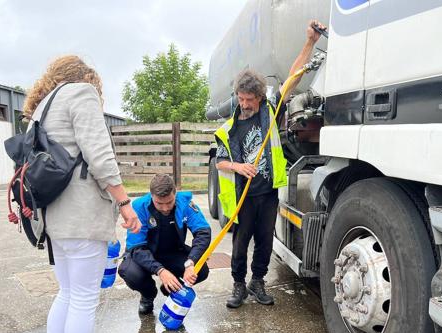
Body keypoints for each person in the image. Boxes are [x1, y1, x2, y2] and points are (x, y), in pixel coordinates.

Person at [24, 55, 140, 333]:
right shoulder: (81, 93)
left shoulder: (42, 107)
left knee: (68, 293)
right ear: (86, 76)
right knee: (84, 298)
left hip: (55, 217)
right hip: (82, 216)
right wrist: (123, 202)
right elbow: (99, 154)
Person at [215, 20, 326, 308]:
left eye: (249, 99)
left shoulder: (269, 110)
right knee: (240, 245)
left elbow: (292, 77)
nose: (244, 104)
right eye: (240, 98)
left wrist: (310, 42)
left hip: (267, 192)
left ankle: (257, 281)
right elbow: (220, 163)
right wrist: (239, 167)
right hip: (242, 196)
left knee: (265, 242)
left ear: (260, 97)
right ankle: (238, 285)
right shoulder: (229, 128)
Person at [119, 174, 211, 314]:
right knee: (130, 273)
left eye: (169, 202)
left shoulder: (185, 203)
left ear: (175, 193)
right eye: (159, 203)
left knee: (201, 270)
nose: (165, 208)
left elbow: (203, 232)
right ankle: (148, 294)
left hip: (172, 251)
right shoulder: (139, 206)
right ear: (151, 196)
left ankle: (171, 288)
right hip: (144, 253)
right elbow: (136, 248)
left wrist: (190, 262)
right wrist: (161, 271)